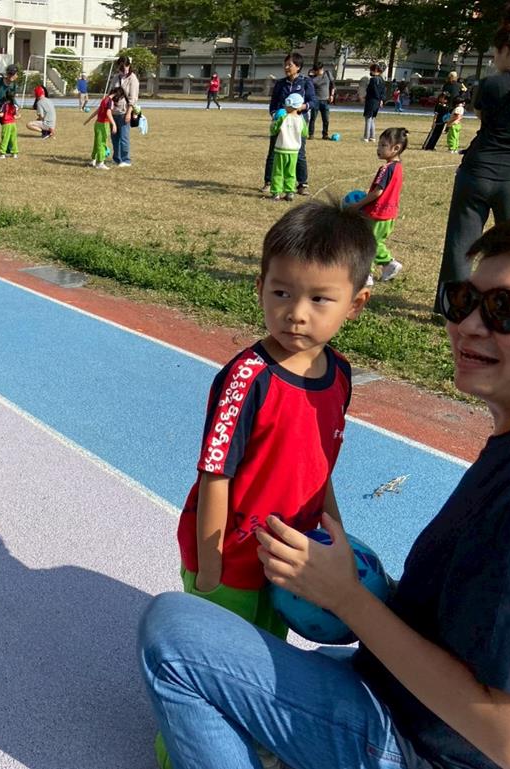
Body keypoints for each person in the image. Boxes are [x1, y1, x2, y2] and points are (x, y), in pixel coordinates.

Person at [140, 210, 510, 769]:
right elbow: (217, 473)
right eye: (464, 299)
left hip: (418, 744)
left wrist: (350, 598)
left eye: (506, 308)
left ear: (355, 303)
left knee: (173, 632)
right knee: (263, 645)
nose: (469, 324)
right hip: (277, 584)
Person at [154, 201, 372, 769]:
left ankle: (251, 738)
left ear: (356, 303)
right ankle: (179, 753)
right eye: (281, 293)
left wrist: (334, 535)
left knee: (267, 661)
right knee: (209, 668)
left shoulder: (340, 375)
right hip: (230, 559)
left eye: (319, 299)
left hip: (289, 560)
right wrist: (209, 567)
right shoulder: (245, 379)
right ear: (260, 288)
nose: (296, 314)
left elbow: (321, 467)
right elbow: (214, 474)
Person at [435, 0, 510, 313]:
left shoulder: (489, 84)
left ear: (506, 49)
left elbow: (482, 117)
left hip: (476, 172)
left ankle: (453, 307)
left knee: (460, 244)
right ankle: (509, 306)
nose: (493, 58)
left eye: (495, 52)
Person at [348, 127, 407, 285]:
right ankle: (388, 266)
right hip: (390, 214)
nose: (378, 149)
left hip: (378, 213)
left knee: (368, 243)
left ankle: (368, 274)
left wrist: (358, 204)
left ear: (396, 148)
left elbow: (378, 193)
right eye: (379, 145)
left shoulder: (385, 168)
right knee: (376, 241)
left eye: (383, 145)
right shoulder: (398, 167)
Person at [261, 53, 315, 195]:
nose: (286, 67)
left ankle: (302, 184)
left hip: (298, 121)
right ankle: (268, 182)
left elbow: (313, 101)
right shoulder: (280, 83)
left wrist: (302, 107)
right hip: (282, 122)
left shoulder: (305, 82)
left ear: (298, 67)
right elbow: (273, 104)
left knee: (299, 152)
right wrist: (275, 115)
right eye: (285, 65)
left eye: (289, 65)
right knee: (274, 151)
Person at [269, 94, 309, 201]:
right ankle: (290, 192)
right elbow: (305, 133)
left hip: (281, 149)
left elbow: (273, 130)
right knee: (291, 173)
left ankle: (276, 192)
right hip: (294, 151)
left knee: (277, 172)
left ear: (289, 104)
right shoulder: (301, 120)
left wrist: (274, 121)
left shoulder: (282, 118)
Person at [109, 55, 139, 167]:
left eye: (125, 67)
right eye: (120, 68)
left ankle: (126, 160)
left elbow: (133, 98)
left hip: (124, 111)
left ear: (129, 66)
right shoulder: (116, 77)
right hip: (113, 111)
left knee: (124, 137)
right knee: (114, 137)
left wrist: (128, 113)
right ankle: (116, 158)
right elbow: (110, 92)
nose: (123, 70)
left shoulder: (132, 79)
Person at [85, 86, 119, 169]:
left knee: (97, 142)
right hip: (103, 124)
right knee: (102, 143)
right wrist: (114, 124)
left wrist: (89, 119)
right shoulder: (110, 101)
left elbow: (98, 110)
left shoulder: (105, 99)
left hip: (97, 124)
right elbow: (108, 113)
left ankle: (93, 159)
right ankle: (100, 162)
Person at [309, 63, 335, 139]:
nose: (316, 72)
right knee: (313, 118)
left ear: (321, 69)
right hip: (316, 100)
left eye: (317, 71)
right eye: (315, 71)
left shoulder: (328, 74)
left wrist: (332, 95)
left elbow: (333, 85)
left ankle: (325, 135)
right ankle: (311, 134)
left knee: (326, 119)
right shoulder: (312, 78)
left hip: (325, 100)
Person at [362, 62, 386, 142]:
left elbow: (373, 90)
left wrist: (367, 95)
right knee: (372, 119)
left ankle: (366, 137)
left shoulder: (373, 80)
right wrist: (381, 100)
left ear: (375, 70)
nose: (370, 72)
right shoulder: (382, 80)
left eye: (371, 70)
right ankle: (372, 137)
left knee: (368, 119)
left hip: (371, 100)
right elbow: (383, 91)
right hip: (377, 102)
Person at [0, 93, 19, 159]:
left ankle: (2, 154)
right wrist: (19, 116)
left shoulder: (5, 105)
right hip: (13, 124)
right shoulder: (14, 106)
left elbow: (2, 115)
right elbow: (15, 116)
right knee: (13, 139)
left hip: (6, 124)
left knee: (5, 139)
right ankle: (15, 153)